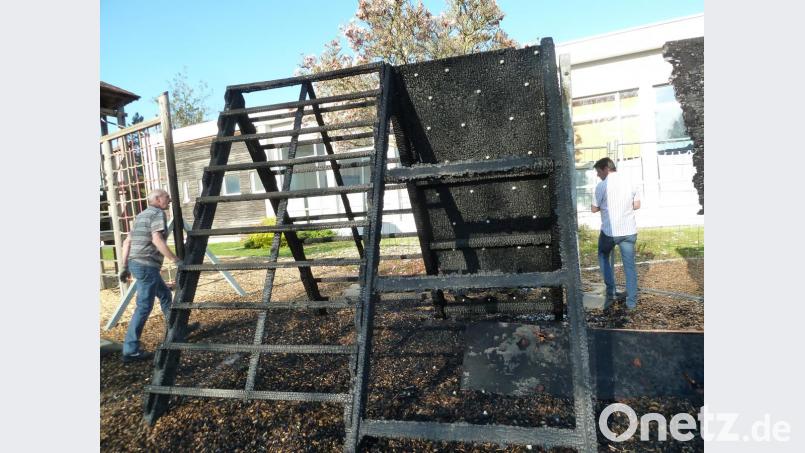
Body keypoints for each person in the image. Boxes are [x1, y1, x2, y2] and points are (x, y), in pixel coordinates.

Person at [118, 189, 182, 363]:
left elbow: (127, 242)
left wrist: (124, 266)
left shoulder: (140, 216)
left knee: (165, 295)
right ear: (157, 199)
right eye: (167, 197)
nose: (169, 200)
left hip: (136, 263)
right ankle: (130, 350)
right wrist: (175, 260)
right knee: (144, 307)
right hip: (146, 265)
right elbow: (157, 239)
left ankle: (176, 328)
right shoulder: (157, 213)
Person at [590, 157, 641, 310]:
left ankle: (611, 291)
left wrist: (604, 206)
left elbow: (593, 208)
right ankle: (631, 303)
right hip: (629, 231)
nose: (598, 175)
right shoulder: (631, 182)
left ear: (606, 168)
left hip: (610, 232)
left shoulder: (601, 186)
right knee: (630, 267)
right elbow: (637, 205)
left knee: (603, 256)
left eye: (598, 171)